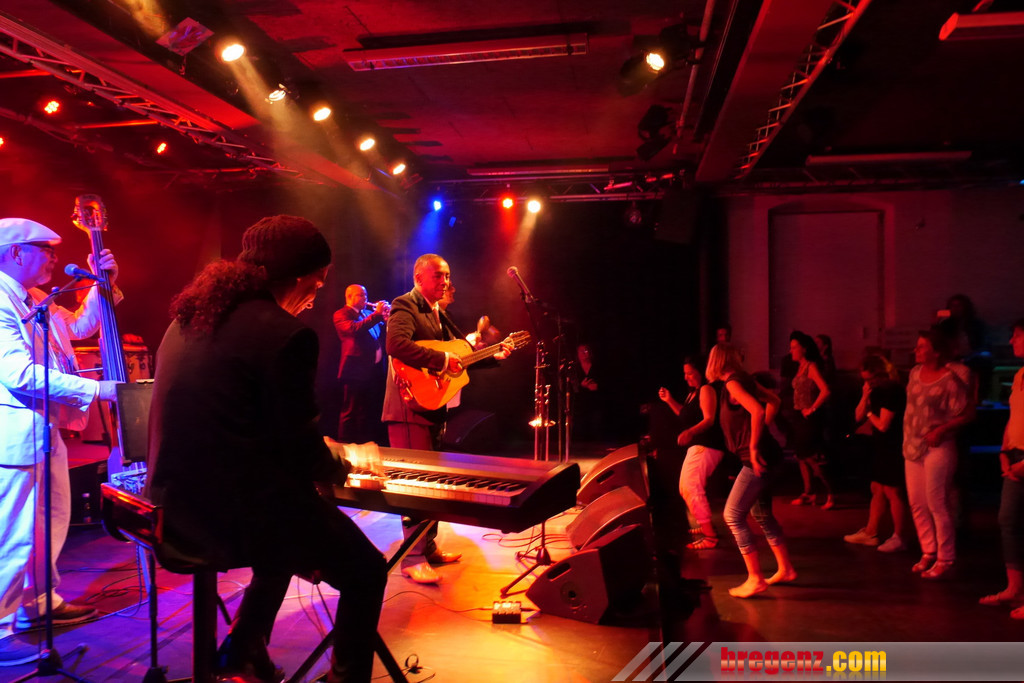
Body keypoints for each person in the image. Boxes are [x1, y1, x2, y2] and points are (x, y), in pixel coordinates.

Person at [145, 216, 386, 682]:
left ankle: (240, 650)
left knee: (284, 539)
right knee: (366, 570)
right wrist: (345, 459)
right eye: (319, 280)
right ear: (297, 276)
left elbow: (239, 420)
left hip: (174, 507)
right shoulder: (286, 334)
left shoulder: (189, 318)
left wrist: (308, 444)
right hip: (231, 516)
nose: (318, 291)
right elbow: (303, 456)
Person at [0, 218, 118, 666]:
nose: (54, 257)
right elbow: (18, 374)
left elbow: (82, 327)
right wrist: (98, 389)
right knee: (15, 535)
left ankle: (38, 603)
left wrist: (104, 283)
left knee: (49, 521)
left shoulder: (31, 297)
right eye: (46, 250)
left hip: (42, 431)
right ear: (16, 253)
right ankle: (2, 628)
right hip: (14, 436)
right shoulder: (0, 301)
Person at [382, 255, 510, 584]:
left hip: (432, 406)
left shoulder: (439, 312)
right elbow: (396, 344)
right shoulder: (405, 304)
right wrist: (441, 359)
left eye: (448, 275)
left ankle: (427, 548)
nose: (445, 281)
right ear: (418, 277)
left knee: (432, 484)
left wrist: (493, 355)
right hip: (408, 408)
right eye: (438, 276)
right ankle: (411, 559)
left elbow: (459, 358)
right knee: (414, 485)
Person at [706, 343, 796, 598]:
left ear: (716, 361)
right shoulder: (743, 379)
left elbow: (757, 410)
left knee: (732, 515)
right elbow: (774, 401)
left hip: (757, 458)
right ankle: (786, 569)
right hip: (765, 455)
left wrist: (755, 445)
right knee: (762, 514)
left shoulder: (733, 383)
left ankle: (755, 578)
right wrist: (761, 432)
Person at [903, 328, 973, 580]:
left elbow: (967, 413)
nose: (916, 350)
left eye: (922, 346)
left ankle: (946, 557)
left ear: (936, 351)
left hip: (938, 447)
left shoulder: (949, 380)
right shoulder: (914, 373)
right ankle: (928, 550)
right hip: (912, 445)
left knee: (937, 502)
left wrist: (942, 429)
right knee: (917, 502)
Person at [979, 319, 1024, 617]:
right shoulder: (1020, 375)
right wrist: (1005, 450)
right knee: (1009, 520)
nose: (1011, 341)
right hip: (1016, 455)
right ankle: (1016, 588)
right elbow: (1015, 416)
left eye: (1017, 335)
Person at [657, 356, 725, 550]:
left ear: (701, 372)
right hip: (698, 446)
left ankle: (710, 536)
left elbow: (709, 419)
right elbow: (685, 414)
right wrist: (669, 400)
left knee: (690, 487)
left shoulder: (706, 389)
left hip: (707, 445)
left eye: (690, 373)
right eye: (685, 374)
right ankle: (706, 526)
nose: (686, 377)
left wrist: (690, 432)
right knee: (687, 487)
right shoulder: (693, 393)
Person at [844, 354, 909, 552]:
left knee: (892, 491)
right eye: (864, 379)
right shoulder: (876, 391)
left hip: (893, 445)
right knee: (877, 488)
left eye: (870, 379)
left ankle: (899, 536)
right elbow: (858, 416)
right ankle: (871, 532)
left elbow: (883, 425)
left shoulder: (892, 391)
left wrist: (870, 412)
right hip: (881, 445)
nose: (868, 383)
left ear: (880, 374)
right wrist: (865, 396)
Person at [334, 284, 388, 444]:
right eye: (361, 295)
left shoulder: (367, 313)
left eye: (365, 295)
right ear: (349, 297)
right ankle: (344, 444)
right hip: (355, 372)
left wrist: (387, 317)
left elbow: (379, 331)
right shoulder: (341, 314)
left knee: (367, 410)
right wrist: (377, 314)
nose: (366, 298)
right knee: (350, 411)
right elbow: (355, 329)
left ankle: (363, 442)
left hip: (373, 371)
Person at [788, 330, 835, 509]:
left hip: (809, 419)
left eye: (794, 347)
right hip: (799, 417)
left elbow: (826, 390)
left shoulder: (811, 367)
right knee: (801, 456)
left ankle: (831, 492)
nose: (791, 351)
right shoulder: (799, 367)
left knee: (810, 457)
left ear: (804, 349)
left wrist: (812, 408)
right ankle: (809, 493)